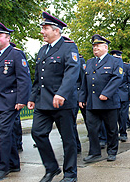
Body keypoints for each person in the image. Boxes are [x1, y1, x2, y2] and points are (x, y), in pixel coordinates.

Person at [28, 12, 80, 182]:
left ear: (56, 31)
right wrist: (32, 97)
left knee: (68, 138)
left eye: (45, 28)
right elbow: (38, 77)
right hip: (43, 102)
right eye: (42, 28)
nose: (42, 32)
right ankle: (51, 168)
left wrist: (62, 93)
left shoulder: (69, 47)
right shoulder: (43, 50)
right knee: (37, 133)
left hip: (62, 102)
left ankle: (70, 173)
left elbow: (72, 72)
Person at [0, 21, 31, 180]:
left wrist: (21, 99)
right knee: (5, 133)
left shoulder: (16, 54)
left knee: (3, 133)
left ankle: (3, 167)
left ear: (7, 38)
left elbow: (24, 79)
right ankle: (14, 163)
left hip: (10, 101)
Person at [79, 34, 123, 163]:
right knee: (92, 129)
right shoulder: (90, 62)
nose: (95, 48)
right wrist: (82, 97)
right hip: (92, 102)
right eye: (94, 46)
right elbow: (85, 81)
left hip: (108, 102)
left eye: (98, 46)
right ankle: (94, 152)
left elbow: (117, 78)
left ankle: (112, 151)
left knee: (111, 129)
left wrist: (106, 93)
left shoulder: (115, 61)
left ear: (106, 47)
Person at [109, 50, 130, 142]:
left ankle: (123, 133)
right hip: (113, 95)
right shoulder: (109, 66)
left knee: (123, 116)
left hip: (124, 94)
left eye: (118, 57)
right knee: (113, 116)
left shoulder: (126, 66)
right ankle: (114, 135)